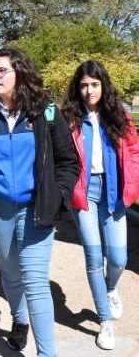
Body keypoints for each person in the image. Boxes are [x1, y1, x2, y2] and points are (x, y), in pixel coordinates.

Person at [0, 48, 79, 356]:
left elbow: (68, 161)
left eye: (2, 71)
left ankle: (46, 353)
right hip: (0, 209)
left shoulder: (45, 111)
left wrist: (58, 196)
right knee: (11, 273)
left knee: (35, 281)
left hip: (37, 207)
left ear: (20, 73)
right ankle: (19, 319)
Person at [61, 60, 139, 351]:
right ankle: (105, 321)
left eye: (94, 84)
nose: (89, 90)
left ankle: (111, 288)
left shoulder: (119, 115)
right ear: (77, 87)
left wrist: (133, 181)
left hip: (114, 191)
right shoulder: (69, 117)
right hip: (85, 193)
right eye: (83, 84)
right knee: (94, 257)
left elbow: (133, 151)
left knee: (118, 258)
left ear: (103, 85)